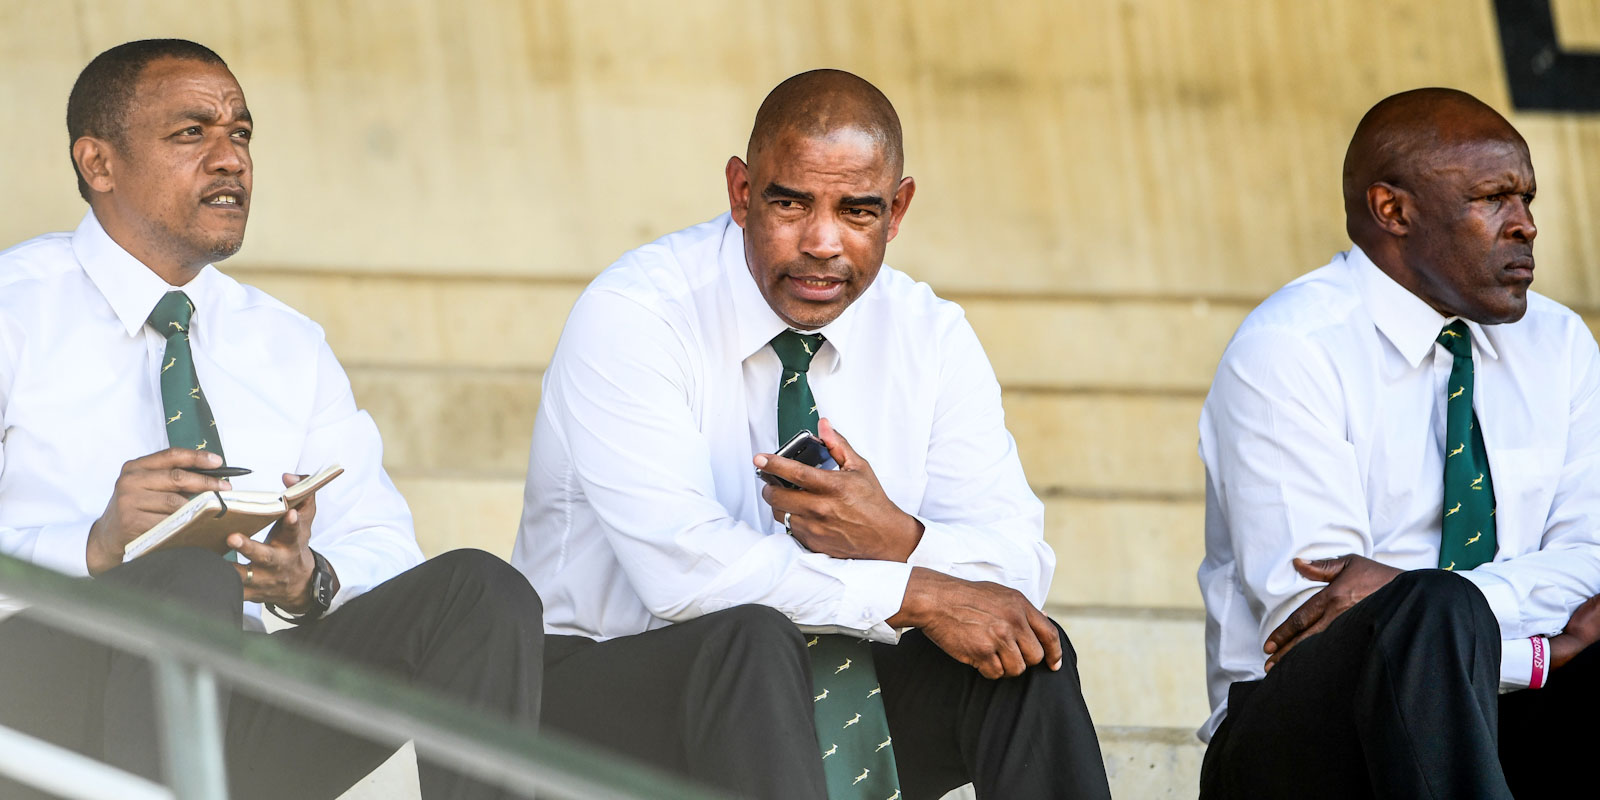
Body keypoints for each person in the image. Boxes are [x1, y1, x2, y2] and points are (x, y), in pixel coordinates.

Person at [512, 68, 1111, 800]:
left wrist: (896, 537)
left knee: (1027, 659)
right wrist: (912, 592)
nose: (822, 243)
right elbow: (683, 572)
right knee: (754, 639)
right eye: (791, 203)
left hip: (825, 696)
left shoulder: (931, 335)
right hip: (610, 700)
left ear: (898, 211)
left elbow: (1014, 573)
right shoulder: (637, 313)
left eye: (857, 211)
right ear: (740, 192)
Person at [0, 39, 544, 800]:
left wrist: (305, 582)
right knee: (188, 574)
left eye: (242, 134)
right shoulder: (14, 308)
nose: (231, 159)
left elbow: (382, 542)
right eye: (192, 133)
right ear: (99, 164)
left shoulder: (286, 342)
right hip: (43, 695)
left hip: (232, 699)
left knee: (481, 594)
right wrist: (95, 546)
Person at [1196, 87, 1600, 798]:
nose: (1526, 226)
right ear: (1394, 211)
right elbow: (1315, 623)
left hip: (1507, 716)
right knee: (1427, 613)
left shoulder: (1560, 343)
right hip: (1299, 744)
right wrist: (1533, 650)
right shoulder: (1289, 349)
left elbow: (1591, 566)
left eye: (1528, 199)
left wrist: (1434, 607)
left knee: (1431, 607)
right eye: (1493, 198)